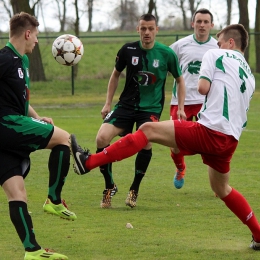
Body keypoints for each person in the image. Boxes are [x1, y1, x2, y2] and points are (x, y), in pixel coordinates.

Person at [70, 24, 260, 250]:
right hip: (230, 139)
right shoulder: (250, 76)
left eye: (219, 41)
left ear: (230, 42)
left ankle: (88, 162)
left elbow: (202, 88)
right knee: (222, 189)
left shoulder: (214, 53)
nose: (216, 45)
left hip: (210, 131)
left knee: (148, 130)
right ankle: (258, 235)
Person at [0, 12, 76, 260]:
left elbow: (18, 100)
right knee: (64, 139)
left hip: (10, 129)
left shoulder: (20, 62)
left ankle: (32, 251)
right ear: (27, 33)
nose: (36, 42)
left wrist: (37, 116)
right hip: (7, 125)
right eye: (36, 37)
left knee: (17, 193)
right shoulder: (5, 58)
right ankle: (54, 200)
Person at [95, 13, 186, 208]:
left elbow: (180, 80)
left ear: (156, 30)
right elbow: (115, 75)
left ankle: (134, 189)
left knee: (145, 143)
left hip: (150, 108)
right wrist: (107, 103)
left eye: (150, 28)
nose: (147, 32)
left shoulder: (167, 54)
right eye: (143, 28)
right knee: (101, 138)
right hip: (126, 105)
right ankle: (109, 186)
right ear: (138, 29)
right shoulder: (127, 50)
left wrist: (180, 108)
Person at [169, 8, 218, 189]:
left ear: (211, 25)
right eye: (199, 21)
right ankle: (180, 168)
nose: (202, 25)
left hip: (208, 103)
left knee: (213, 144)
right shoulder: (180, 45)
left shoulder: (217, 47)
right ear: (193, 24)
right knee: (174, 142)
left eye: (206, 22)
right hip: (181, 102)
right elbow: (165, 67)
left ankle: (218, 183)